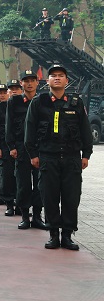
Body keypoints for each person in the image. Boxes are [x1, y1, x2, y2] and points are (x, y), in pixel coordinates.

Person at [24, 64, 93, 250]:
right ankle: (54, 233)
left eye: (60, 75)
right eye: (53, 75)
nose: (56, 78)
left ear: (66, 81)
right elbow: (29, 130)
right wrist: (33, 154)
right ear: (47, 81)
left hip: (71, 157)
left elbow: (85, 130)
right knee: (50, 196)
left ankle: (68, 235)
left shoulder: (76, 103)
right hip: (48, 157)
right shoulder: (40, 102)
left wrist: (86, 154)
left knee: (71, 197)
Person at [4, 70, 49, 231]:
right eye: (26, 80)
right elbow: (9, 125)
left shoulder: (43, 100)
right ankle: (24, 216)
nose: (29, 83)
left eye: (32, 80)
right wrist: (12, 147)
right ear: (21, 83)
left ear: (38, 82)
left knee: (40, 183)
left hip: (40, 147)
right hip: (21, 148)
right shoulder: (14, 102)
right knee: (22, 182)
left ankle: (37, 216)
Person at [0, 83, 17, 216]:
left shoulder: (24, 104)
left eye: (16, 89)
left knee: (21, 178)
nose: (3, 94)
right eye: (10, 90)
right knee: (6, 176)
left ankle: (21, 205)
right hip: (5, 146)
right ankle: (9, 203)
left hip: (22, 147)